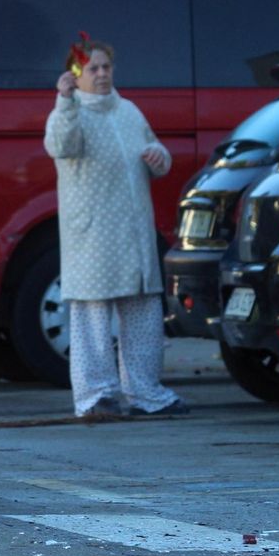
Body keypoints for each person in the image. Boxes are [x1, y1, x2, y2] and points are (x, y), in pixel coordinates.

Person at [43, 38, 186, 420]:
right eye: (93, 68)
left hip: (134, 233)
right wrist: (65, 101)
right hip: (92, 236)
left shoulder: (128, 110)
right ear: (76, 74)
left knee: (143, 314)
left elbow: (156, 152)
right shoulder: (68, 113)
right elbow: (61, 146)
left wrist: (159, 158)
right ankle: (95, 397)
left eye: (106, 67)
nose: (102, 74)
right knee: (92, 316)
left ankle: (146, 393)